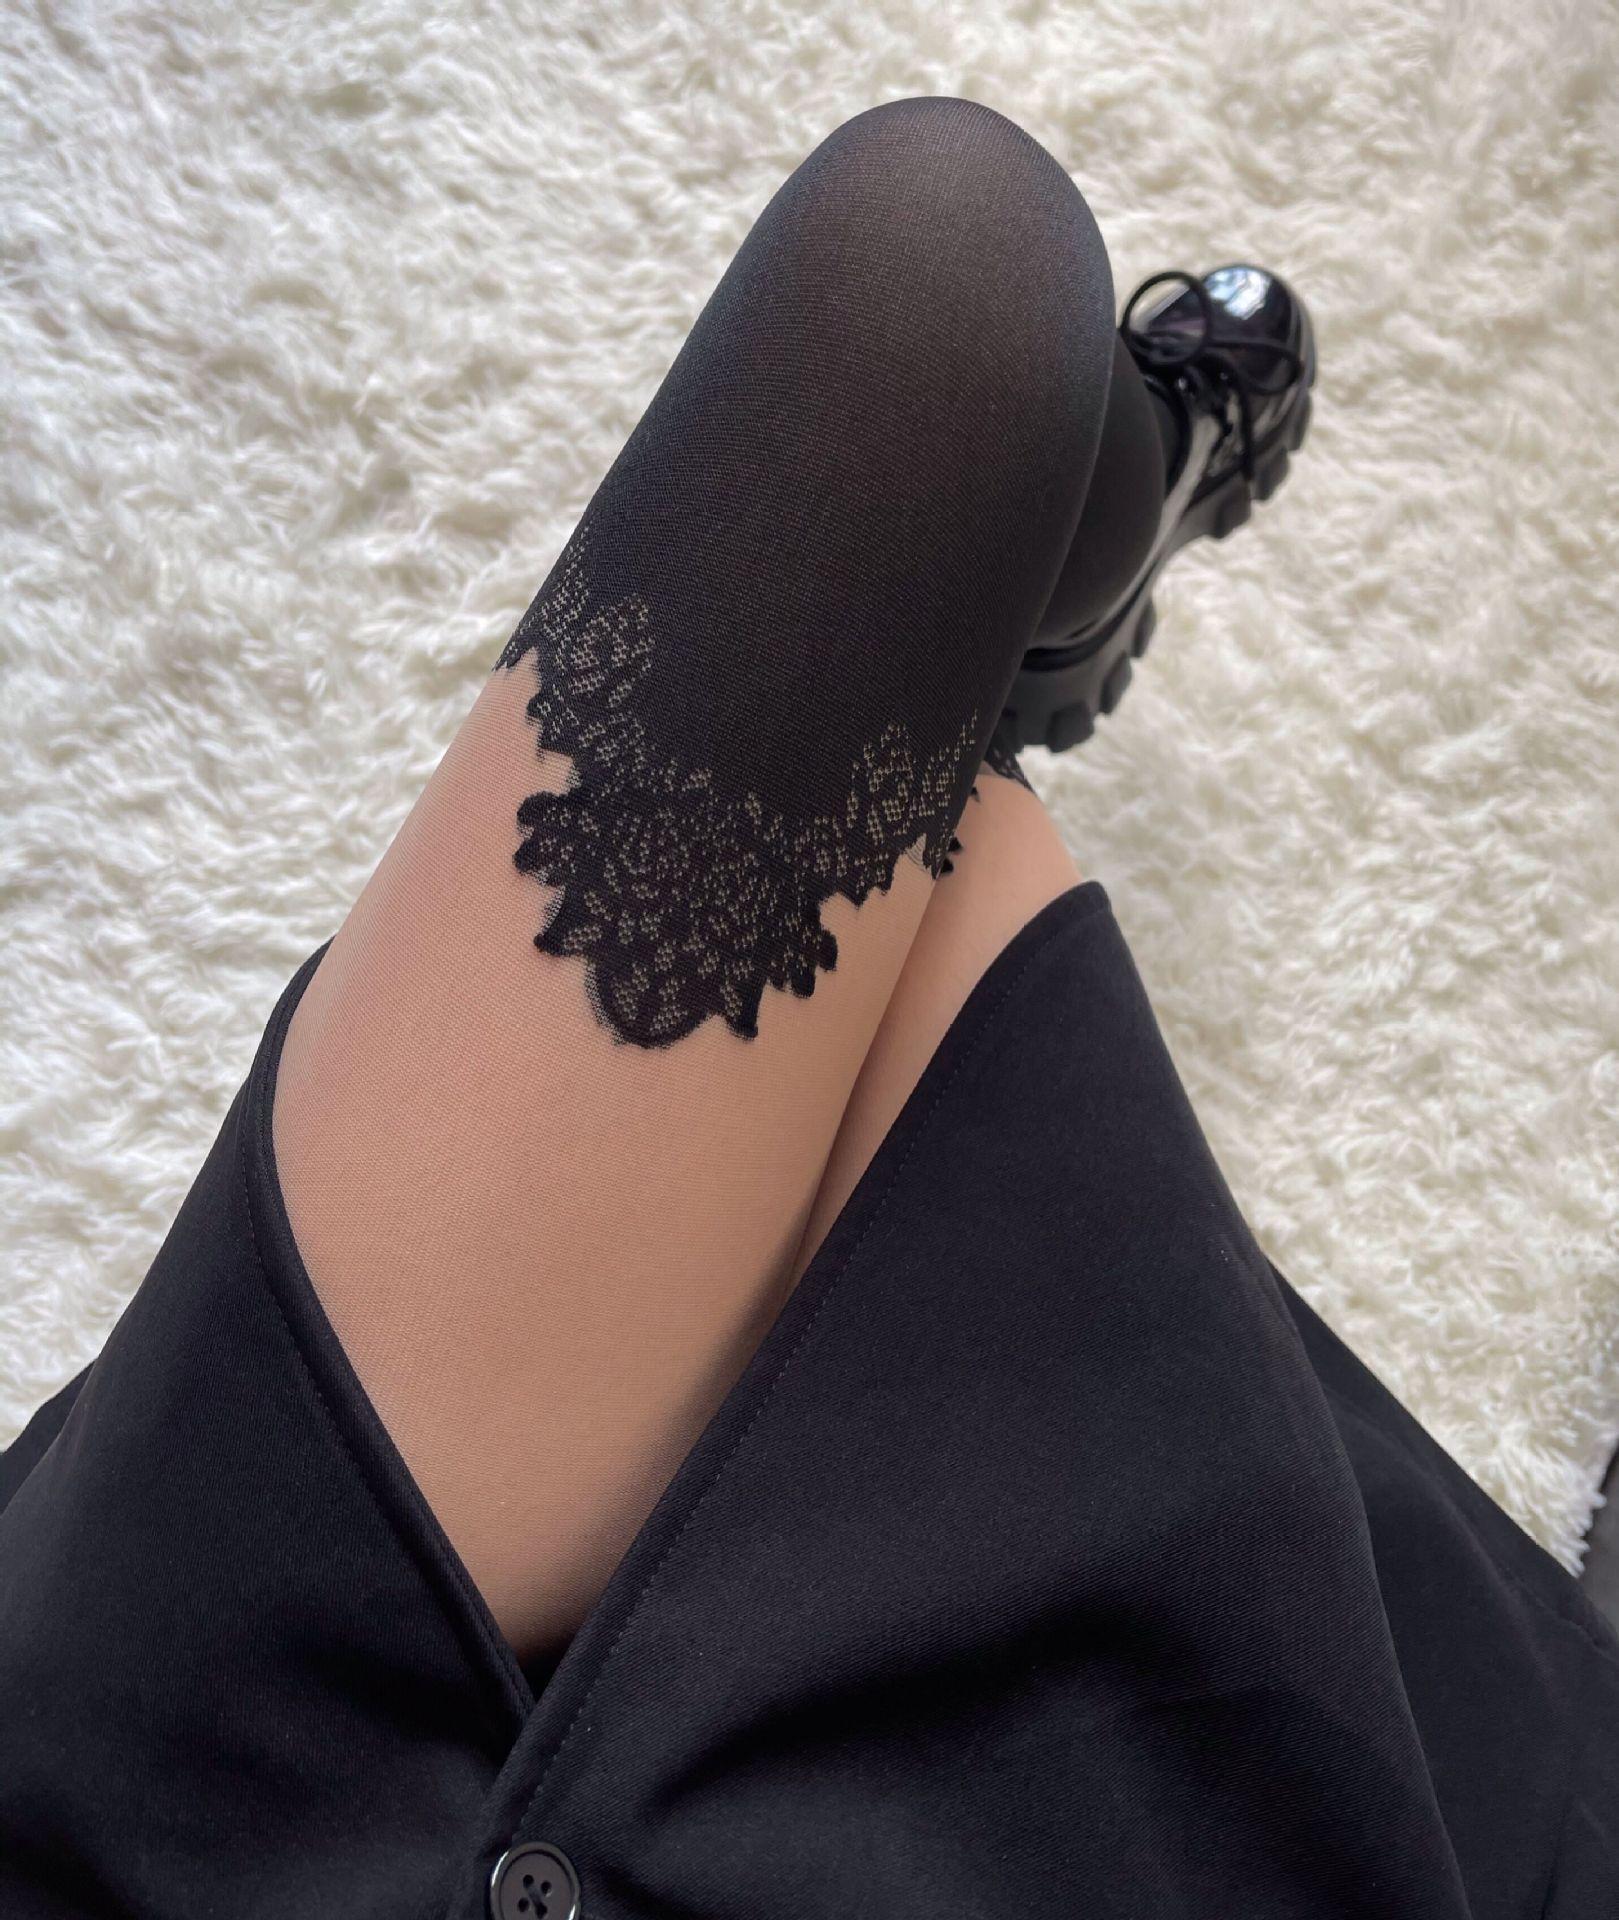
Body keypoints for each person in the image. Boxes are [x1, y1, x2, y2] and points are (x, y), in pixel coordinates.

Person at [1, 97, 1613, 1919]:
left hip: (180, 1782)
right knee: (946, 846)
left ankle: (1025, 608)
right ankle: (1025, 624)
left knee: (934, 275)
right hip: (1060, 1796)